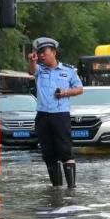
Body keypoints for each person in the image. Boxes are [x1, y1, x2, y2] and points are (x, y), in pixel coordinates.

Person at [27, 37, 83, 188]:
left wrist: (64, 93)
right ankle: (56, 188)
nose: (41, 55)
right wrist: (32, 61)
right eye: (39, 53)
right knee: (48, 152)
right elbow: (32, 70)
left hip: (60, 115)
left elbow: (79, 89)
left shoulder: (68, 70)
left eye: (44, 52)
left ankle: (71, 188)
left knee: (65, 151)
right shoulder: (40, 70)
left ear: (53, 52)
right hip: (43, 116)